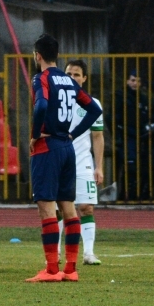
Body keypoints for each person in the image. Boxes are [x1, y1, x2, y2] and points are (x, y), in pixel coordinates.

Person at [26, 34, 101, 283]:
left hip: (47, 147)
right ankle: (70, 269)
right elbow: (94, 109)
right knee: (68, 208)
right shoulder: (69, 81)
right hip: (67, 148)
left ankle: (50, 270)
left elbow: (41, 106)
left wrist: (35, 135)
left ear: (37, 56)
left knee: (47, 208)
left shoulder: (41, 78)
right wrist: (73, 134)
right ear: (57, 55)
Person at [64, 60, 104, 265]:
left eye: (77, 74)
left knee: (86, 207)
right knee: (58, 208)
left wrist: (99, 166)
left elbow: (97, 136)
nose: (72, 78)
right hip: (59, 161)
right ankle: (57, 253)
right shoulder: (56, 101)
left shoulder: (92, 104)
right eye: (69, 74)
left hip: (83, 163)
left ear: (84, 78)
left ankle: (88, 253)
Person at [114, 71, 154, 200]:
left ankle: (135, 196)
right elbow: (112, 117)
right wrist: (118, 134)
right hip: (126, 136)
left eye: (138, 81)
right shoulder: (120, 96)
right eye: (133, 80)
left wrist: (150, 126)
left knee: (143, 167)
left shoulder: (144, 98)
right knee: (130, 166)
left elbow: (150, 116)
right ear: (127, 81)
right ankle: (125, 195)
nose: (135, 83)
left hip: (142, 137)